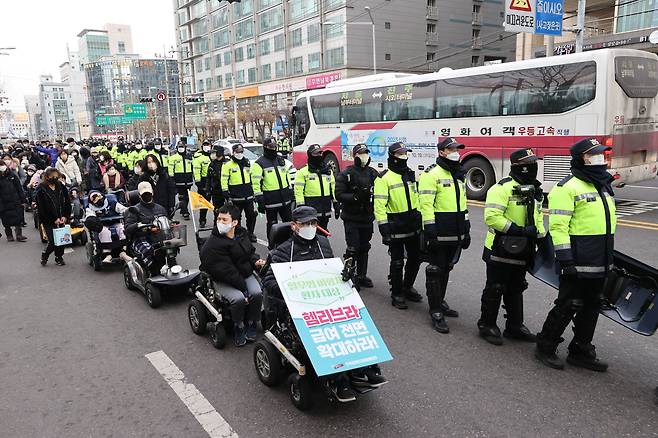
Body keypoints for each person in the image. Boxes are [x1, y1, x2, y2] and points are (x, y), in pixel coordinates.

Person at [262, 206, 388, 401]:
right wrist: (294, 288)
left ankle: (362, 369)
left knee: (353, 323)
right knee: (322, 333)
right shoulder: (282, 252)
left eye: (313, 223)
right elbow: (269, 282)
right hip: (298, 306)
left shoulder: (323, 244)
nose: (310, 227)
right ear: (294, 226)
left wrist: (347, 276)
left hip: (326, 301)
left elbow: (332, 272)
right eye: (305, 224)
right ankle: (338, 379)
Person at [535, 138, 616, 372]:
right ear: (582, 158)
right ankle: (545, 345)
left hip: (600, 259)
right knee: (568, 304)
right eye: (595, 155)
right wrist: (565, 259)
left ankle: (580, 349)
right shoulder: (567, 187)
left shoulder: (602, 185)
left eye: (602, 154)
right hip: (577, 260)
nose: (601, 159)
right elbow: (559, 227)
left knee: (591, 306)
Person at [477, 148, 545, 345]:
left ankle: (515, 326)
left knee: (516, 287)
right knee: (496, 287)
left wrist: (541, 238)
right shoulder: (501, 188)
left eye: (534, 162)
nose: (533, 167)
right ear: (519, 166)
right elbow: (492, 218)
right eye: (529, 163)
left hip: (524, 249)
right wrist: (519, 231)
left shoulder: (534, 189)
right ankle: (487, 324)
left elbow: (537, 217)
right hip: (499, 248)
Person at [418, 137, 471, 333]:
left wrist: (466, 227)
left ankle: (440, 301)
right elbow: (425, 205)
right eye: (451, 149)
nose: (456, 152)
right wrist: (429, 229)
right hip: (438, 232)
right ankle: (435, 311)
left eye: (457, 148)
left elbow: (463, 203)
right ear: (441, 152)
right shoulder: (431, 174)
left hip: (455, 232)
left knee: (447, 268)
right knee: (435, 269)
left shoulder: (459, 174)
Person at [200, 204, 266, 346]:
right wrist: (243, 288)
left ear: (234, 222)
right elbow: (224, 271)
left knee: (257, 293)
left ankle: (251, 321)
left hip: (243, 274)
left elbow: (250, 253)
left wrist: (256, 262)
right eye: (219, 219)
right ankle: (239, 325)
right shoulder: (213, 244)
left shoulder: (241, 234)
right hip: (224, 279)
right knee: (238, 299)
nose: (220, 223)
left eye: (224, 220)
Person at [374, 143, 423, 310]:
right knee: (397, 262)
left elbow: (416, 198)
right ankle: (396, 293)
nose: (404, 155)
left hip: (413, 224)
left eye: (405, 152)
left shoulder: (410, 174)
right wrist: (384, 228)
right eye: (400, 153)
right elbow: (379, 205)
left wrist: (421, 219)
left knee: (415, 259)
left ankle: (407, 286)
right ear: (392, 155)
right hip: (395, 225)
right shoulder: (384, 178)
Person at [335, 144, 379, 288]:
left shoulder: (373, 173)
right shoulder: (347, 173)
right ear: (354, 156)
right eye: (360, 153)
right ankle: (350, 274)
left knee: (365, 247)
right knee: (353, 248)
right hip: (351, 218)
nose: (364, 155)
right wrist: (355, 197)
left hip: (367, 217)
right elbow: (339, 194)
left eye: (366, 153)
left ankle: (362, 275)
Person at [251, 137, 293, 238]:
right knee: (272, 225)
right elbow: (256, 184)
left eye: (274, 147)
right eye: (270, 147)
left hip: (285, 199)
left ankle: (289, 244)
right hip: (271, 201)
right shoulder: (259, 164)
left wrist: (291, 192)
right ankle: (272, 245)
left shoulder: (281, 160)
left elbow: (287, 177)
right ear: (265, 147)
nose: (273, 149)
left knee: (289, 224)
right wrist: (259, 200)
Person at [124, 181, 169, 275]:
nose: (147, 196)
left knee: (172, 246)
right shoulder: (134, 210)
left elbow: (167, 222)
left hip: (159, 237)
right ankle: (153, 272)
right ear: (139, 195)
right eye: (144, 194)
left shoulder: (160, 208)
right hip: (141, 239)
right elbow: (127, 228)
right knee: (149, 251)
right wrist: (138, 225)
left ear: (152, 193)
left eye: (148, 193)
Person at [294, 144, 336, 231]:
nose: (319, 155)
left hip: (325, 209)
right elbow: (298, 191)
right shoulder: (302, 172)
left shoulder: (328, 171)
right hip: (310, 212)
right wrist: (301, 207)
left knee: (324, 233)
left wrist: (336, 203)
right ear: (310, 155)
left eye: (320, 153)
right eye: (316, 154)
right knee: (311, 234)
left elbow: (333, 188)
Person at [36, 168, 72, 266]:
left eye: (56, 176)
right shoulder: (41, 189)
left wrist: (65, 216)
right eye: (52, 176)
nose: (55, 178)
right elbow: (41, 208)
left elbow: (67, 202)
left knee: (61, 240)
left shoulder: (61, 186)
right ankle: (45, 255)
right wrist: (53, 219)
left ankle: (59, 257)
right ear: (47, 177)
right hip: (49, 220)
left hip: (61, 218)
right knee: (52, 241)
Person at [222, 143, 257, 240]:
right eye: (237, 152)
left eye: (241, 152)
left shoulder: (247, 163)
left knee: (251, 215)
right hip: (235, 196)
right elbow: (224, 179)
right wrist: (225, 191)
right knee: (237, 217)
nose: (240, 154)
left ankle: (250, 233)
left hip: (248, 195)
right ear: (233, 153)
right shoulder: (227, 165)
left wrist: (254, 191)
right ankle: (239, 234)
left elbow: (251, 177)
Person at [85, 190, 129, 263]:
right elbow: (90, 216)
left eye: (98, 196)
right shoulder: (90, 208)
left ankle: (123, 252)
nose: (97, 199)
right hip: (102, 226)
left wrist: (128, 212)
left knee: (122, 228)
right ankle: (107, 254)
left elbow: (123, 209)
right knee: (104, 232)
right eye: (94, 198)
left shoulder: (111, 202)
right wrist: (92, 220)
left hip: (115, 223)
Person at [0, 159, 28, 242]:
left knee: (18, 218)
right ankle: (9, 235)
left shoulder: (12, 175)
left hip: (15, 200)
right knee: (5, 220)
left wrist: (23, 200)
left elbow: (19, 188)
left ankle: (19, 235)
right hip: (3, 201)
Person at [168, 142, 194, 220]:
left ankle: (183, 209)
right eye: (179, 147)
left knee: (187, 197)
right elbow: (170, 169)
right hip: (179, 181)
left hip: (188, 180)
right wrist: (172, 178)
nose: (181, 148)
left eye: (182, 146)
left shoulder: (189, 156)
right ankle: (185, 212)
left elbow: (193, 167)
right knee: (182, 196)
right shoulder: (173, 158)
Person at [193, 140, 212, 227]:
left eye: (208, 145)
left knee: (217, 204)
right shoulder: (199, 158)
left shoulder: (213, 156)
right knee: (204, 203)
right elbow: (196, 170)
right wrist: (198, 182)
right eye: (205, 145)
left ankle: (218, 221)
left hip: (214, 181)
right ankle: (202, 219)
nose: (206, 146)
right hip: (204, 181)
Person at [206, 145, 228, 221]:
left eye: (214, 153)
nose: (212, 155)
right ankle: (217, 224)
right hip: (216, 191)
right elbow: (208, 178)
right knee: (217, 209)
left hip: (226, 190)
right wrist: (208, 189)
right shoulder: (212, 164)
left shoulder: (227, 163)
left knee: (228, 210)